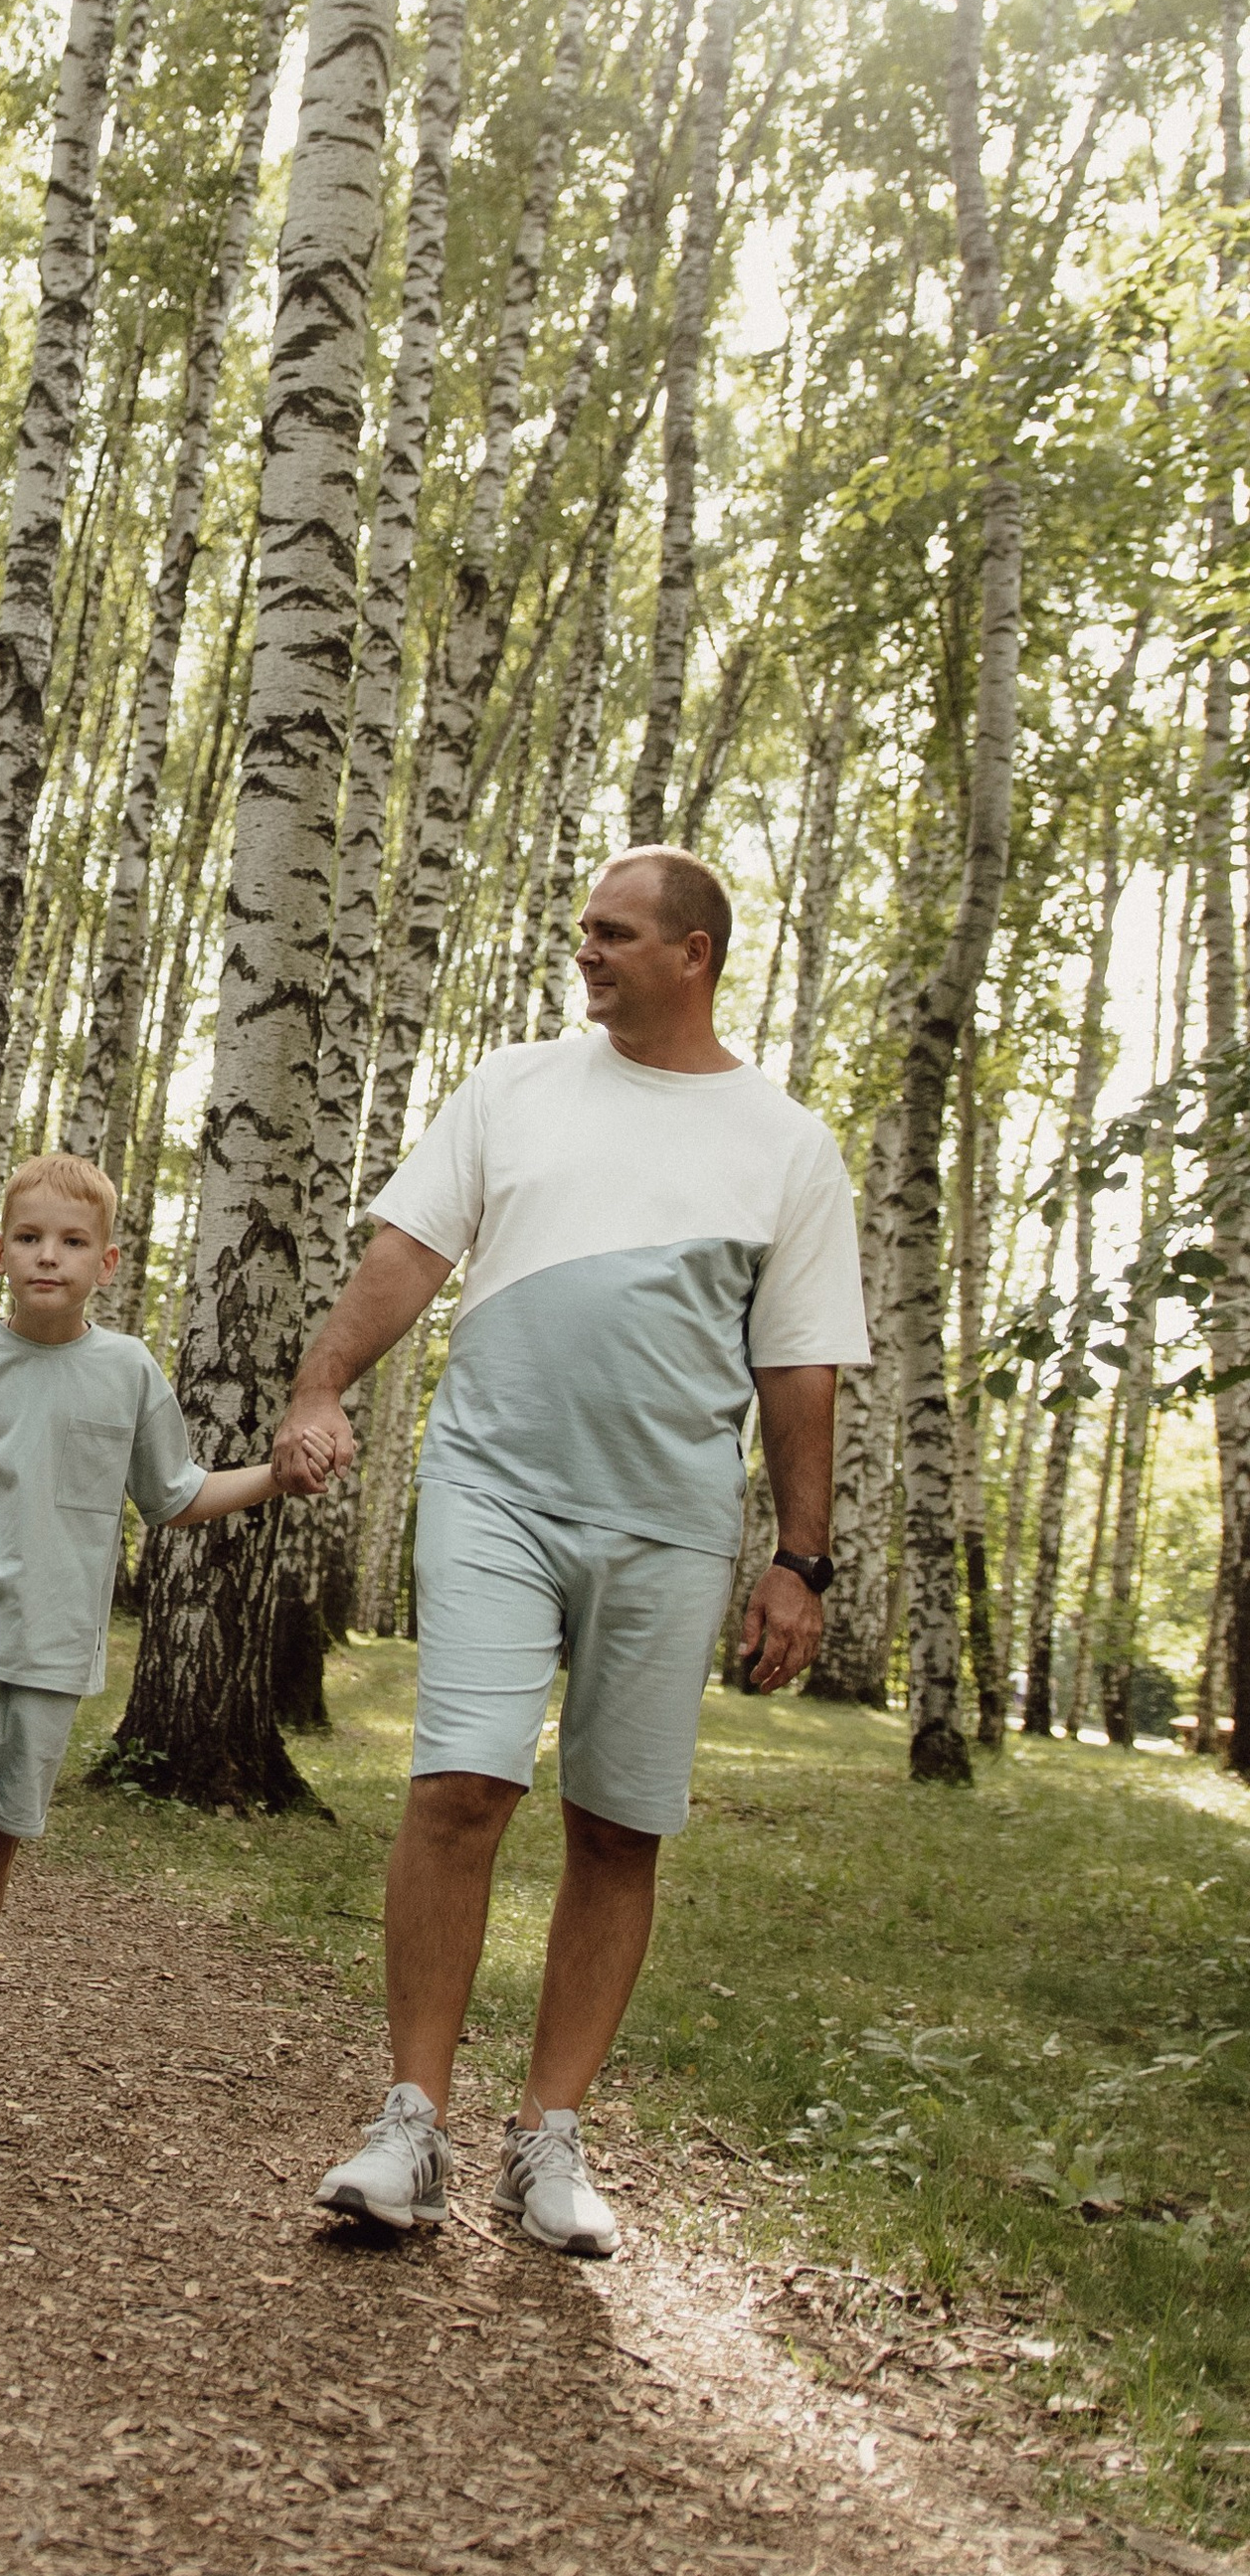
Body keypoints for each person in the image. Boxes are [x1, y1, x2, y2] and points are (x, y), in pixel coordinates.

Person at [282, 850, 867, 2258]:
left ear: (696, 954)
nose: (585, 953)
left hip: (666, 1520)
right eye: (581, 930)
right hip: (494, 1486)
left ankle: (548, 2138)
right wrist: (321, 1386)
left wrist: (803, 1558)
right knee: (461, 1786)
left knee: (618, 1824)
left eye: (613, 934)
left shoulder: (785, 1144)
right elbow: (407, 1252)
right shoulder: (514, 1088)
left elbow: (799, 1368)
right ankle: (408, 2123)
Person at [0, 1150, 315, 2176]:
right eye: (28, 1237)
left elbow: (172, 1494)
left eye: (71, 1242)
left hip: (51, 1653)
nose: (47, 1256)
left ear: (107, 1262)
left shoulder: (126, 1374)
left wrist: (276, 1479)